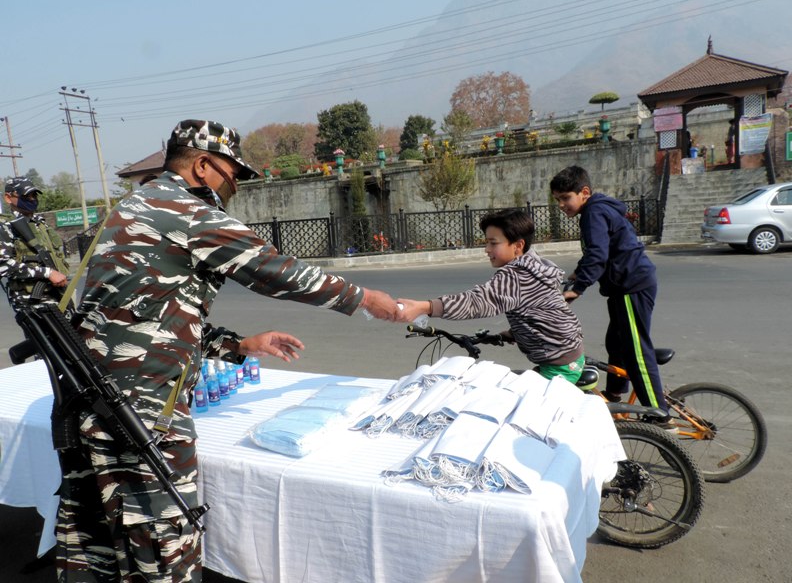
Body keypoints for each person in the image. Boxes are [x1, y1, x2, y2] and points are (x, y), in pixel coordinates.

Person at [56, 119, 402, 582]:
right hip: (139, 405)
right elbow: (273, 270)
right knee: (163, 539)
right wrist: (364, 299)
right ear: (202, 165)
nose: (233, 185)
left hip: (91, 395)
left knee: (96, 539)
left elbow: (145, 313)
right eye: (231, 174)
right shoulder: (185, 211)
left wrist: (237, 345)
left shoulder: (129, 208)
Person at [549, 165, 675, 429]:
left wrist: (578, 288)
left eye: (565, 198)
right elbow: (599, 252)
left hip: (630, 286)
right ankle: (615, 395)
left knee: (636, 350)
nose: (561, 205)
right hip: (625, 285)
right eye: (557, 200)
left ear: (584, 192)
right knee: (616, 343)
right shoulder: (597, 209)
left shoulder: (593, 212)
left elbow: (598, 255)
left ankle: (659, 413)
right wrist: (578, 274)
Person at [398, 208, 585, 384]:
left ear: (518, 245)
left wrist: (426, 307)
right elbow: (541, 309)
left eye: (493, 243)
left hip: (558, 364)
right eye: (486, 242)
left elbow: (477, 302)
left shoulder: (516, 275)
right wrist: (515, 333)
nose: (487, 249)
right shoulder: (533, 264)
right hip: (567, 350)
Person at [0, 177, 69, 310]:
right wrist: (47, 273)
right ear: (8, 198)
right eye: (26, 196)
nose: (32, 199)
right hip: (31, 299)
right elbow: (3, 265)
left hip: (58, 293)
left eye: (34, 195)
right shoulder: (6, 227)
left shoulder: (40, 223)